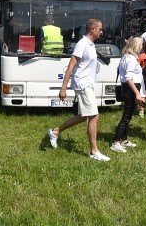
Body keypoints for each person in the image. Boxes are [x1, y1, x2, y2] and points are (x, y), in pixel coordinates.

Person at [47, 19, 110, 161]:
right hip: (83, 85)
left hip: (87, 84)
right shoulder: (82, 45)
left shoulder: (91, 44)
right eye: (100, 29)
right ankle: (94, 152)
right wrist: (63, 87)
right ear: (92, 29)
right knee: (94, 116)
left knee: (84, 115)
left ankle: (55, 132)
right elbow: (71, 65)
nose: (102, 31)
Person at [110, 36, 145, 153]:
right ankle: (115, 141)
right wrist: (137, 93)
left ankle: (124, 139)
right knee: (126, 116)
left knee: (128, 115)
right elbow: (128, 77)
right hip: (131, 89)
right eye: (140, 45)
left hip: (127, 88)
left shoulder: (125, 57)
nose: (141, 47)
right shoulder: (131, 59)